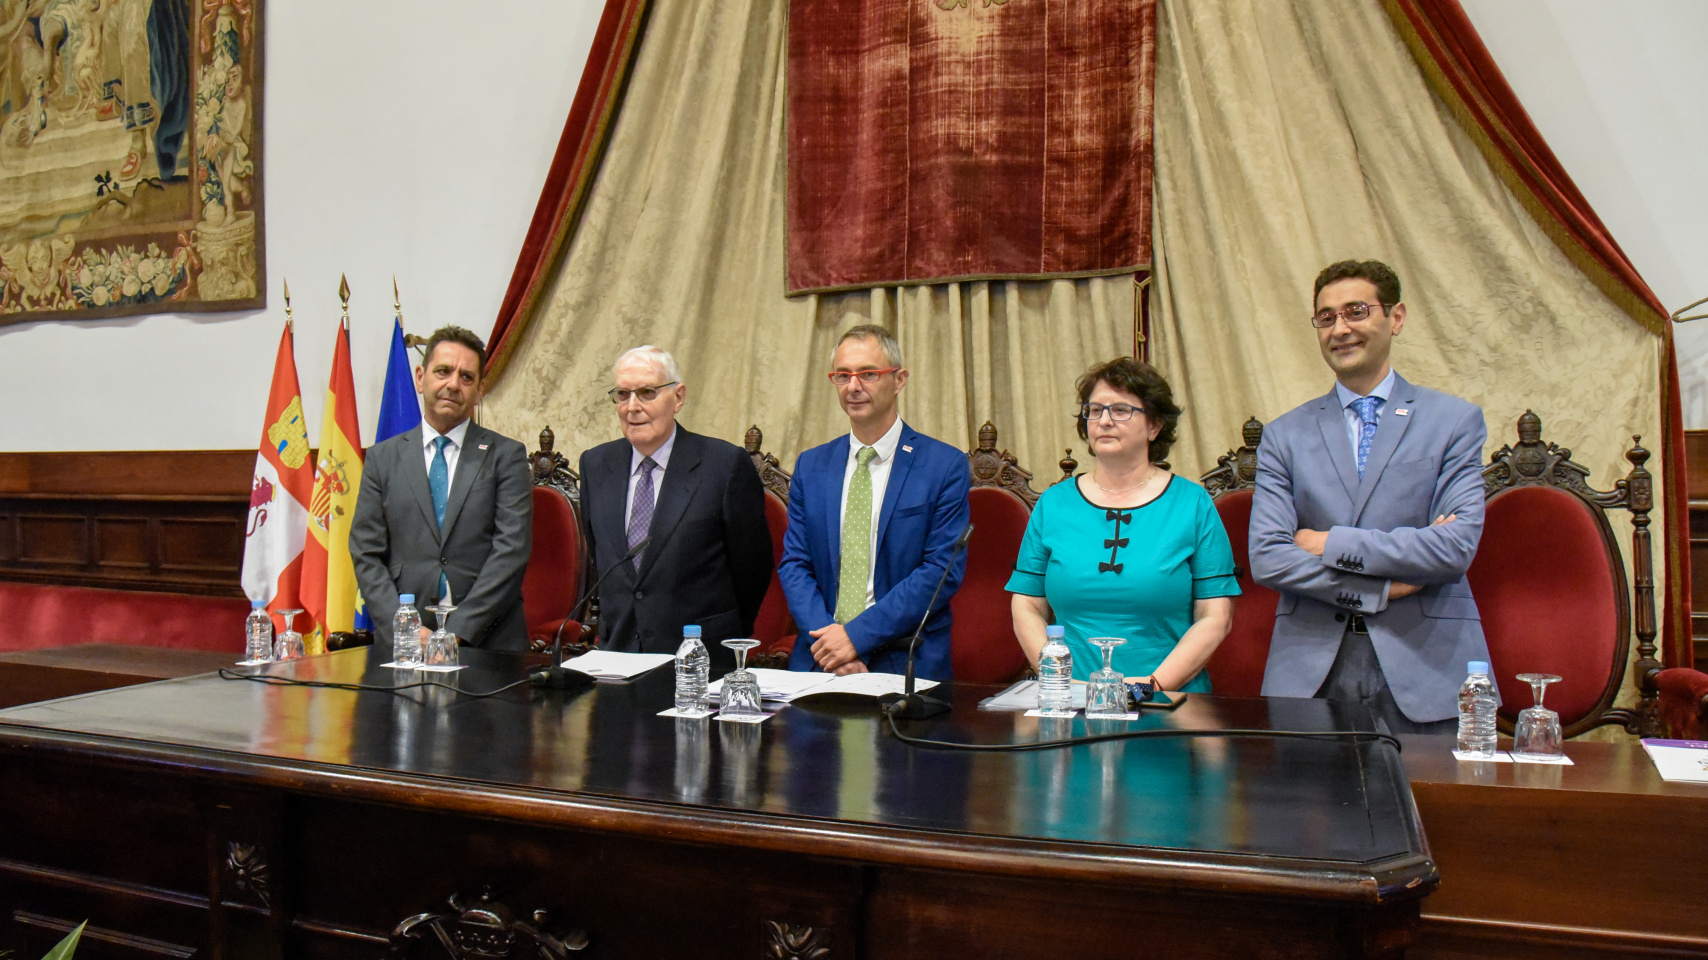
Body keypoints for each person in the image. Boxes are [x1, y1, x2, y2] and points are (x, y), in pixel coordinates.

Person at [1249, 259, 1488, 734]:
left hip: (1426, 665)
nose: (1340, 328)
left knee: (1433, 808)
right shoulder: (1284, 435)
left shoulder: (1453, 421)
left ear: (1395, 318)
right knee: (1304, 809)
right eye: (1326, 317)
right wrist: (1379, 590)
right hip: (1309, 673)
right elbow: (1268, 557)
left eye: (1356, 311)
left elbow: (1453, 548)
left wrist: (1329, 542)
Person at [1007, 358, 1238, 692]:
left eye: (1120, 410)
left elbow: (1216, 617)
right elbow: (1026, 604)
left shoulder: (1193, 504)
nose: (1104, 420)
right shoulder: (1054, 504)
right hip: (1070, 700)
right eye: (1095, 410)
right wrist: (1062, 682)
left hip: (1167, 699)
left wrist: (1149, 687)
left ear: (1155, 426)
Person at [779, 325, 971, 681]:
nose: (853, 386)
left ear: (899, 380)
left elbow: (940, 572)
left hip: (903, 659)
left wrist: (855, 637)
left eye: (868, 374)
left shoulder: (943, 466)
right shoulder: (812, 465)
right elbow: (795, 564)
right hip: (819, 658)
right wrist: (830, 644)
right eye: (842, 375)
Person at [579, 345, 773, 676]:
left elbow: (752, 568)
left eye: (647, 393)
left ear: (678, 397)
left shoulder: (723, 465)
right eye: (623, 395)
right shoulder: (596, 464)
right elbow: (602, 554)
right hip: (618, 658)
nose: (632, 407)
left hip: (699, 663)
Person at [351, 325, 533, 650]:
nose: (453, 384)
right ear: (420, 377)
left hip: (487, 644)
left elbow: (511, 551)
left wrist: (456, 632)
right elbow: (366, 552)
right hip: (404, 643)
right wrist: (403, 627)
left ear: (479, 390)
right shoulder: (382, 459)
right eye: (443, 371)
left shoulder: (506, 456)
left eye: (466, 377)